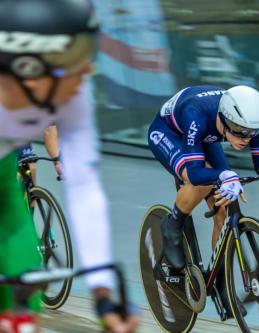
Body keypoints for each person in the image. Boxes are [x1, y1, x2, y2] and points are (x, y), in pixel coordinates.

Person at [0, 0, 138, 332]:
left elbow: (85, 187)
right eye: (74, 60)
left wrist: (103, 295)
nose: (87, 72)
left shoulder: (72, 91)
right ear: (28, 68)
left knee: (25, 284)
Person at [147, 85, 259, 316]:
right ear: (224, 118)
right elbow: (193, 172)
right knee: (201, 182)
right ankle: (172, 224)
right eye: (240, 131)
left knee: (226, 209)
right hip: (170, 133)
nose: (245, 138)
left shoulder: (252, 117)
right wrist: (222, 175)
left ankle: (221, 284)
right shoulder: (197, 113)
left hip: (206, 136)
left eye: (251, 132)